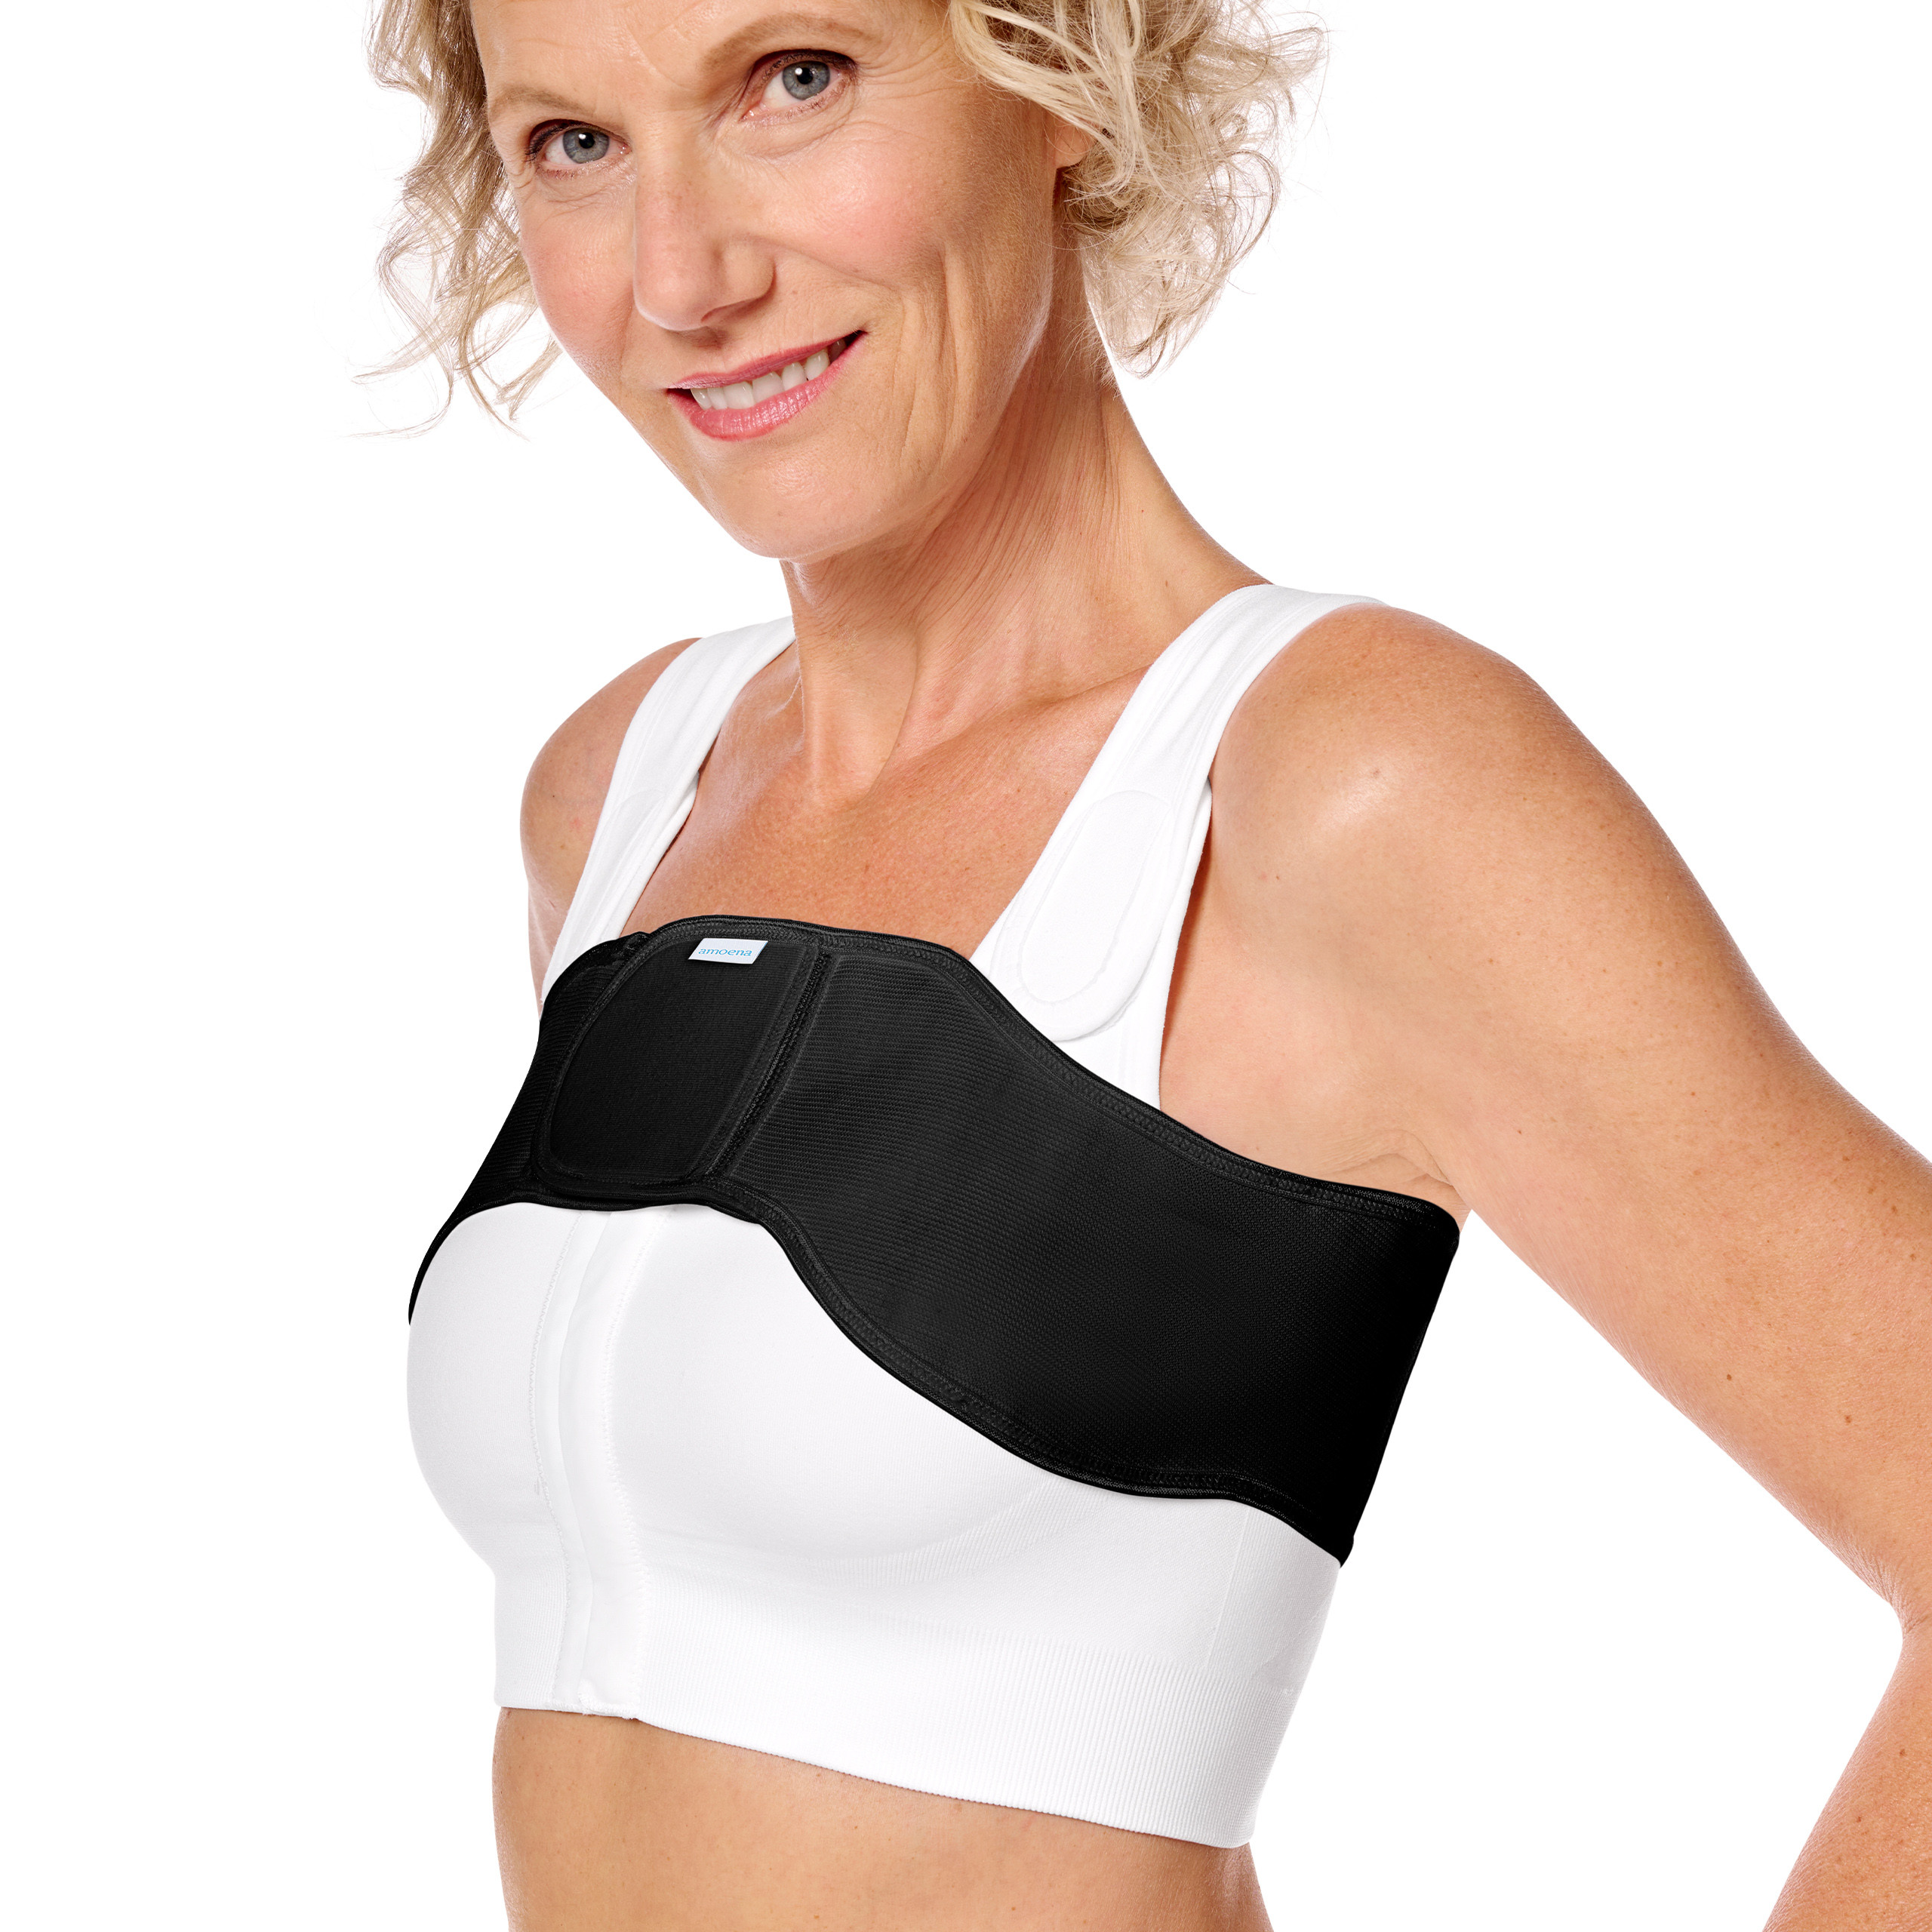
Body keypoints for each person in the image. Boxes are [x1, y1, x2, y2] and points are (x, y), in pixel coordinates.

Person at [374, 0, 1932, 1924]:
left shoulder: (1333, 782)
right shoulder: (624, 787)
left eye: (795, 79)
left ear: (1056, 70)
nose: (681, 277)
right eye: (572, 145)